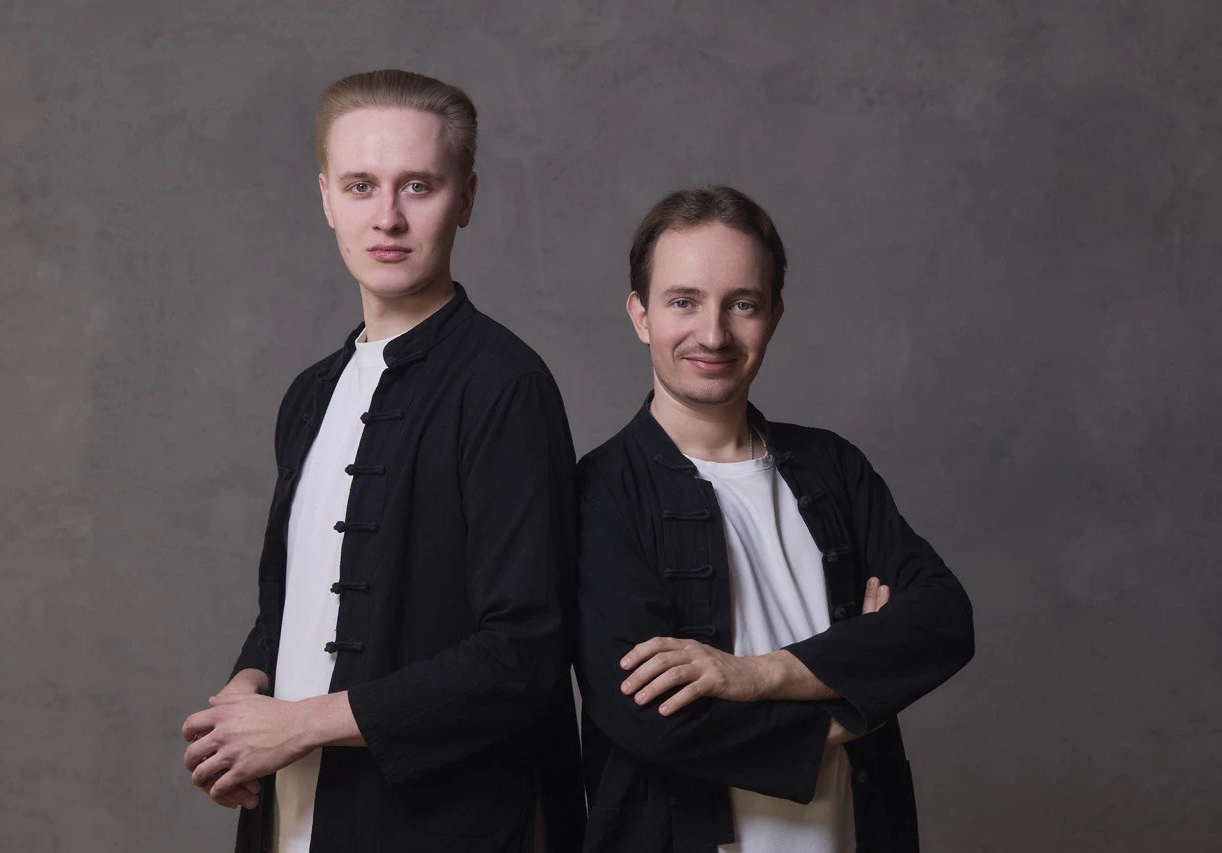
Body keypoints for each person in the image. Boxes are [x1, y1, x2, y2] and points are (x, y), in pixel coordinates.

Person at [180, 69, 584, 853]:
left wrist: (300, 724)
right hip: (289, 814)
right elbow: (291, 605)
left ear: (466, 198)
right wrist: (245, 696)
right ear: (326, 197)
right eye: (361, 185)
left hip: (447, 827)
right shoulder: (310, 394)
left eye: (418, 186)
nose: (388, 217)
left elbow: (524, 652)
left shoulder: (505, 385)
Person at [573, 185, 975, 853]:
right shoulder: (600, 492)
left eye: (742, 304)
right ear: (640, 315)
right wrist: (859, 699)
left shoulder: (832, 466)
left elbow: (943, 619)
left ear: (774, 316)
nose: (713, 334)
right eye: (683, 301)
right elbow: (654, 718)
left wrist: (753, 674)